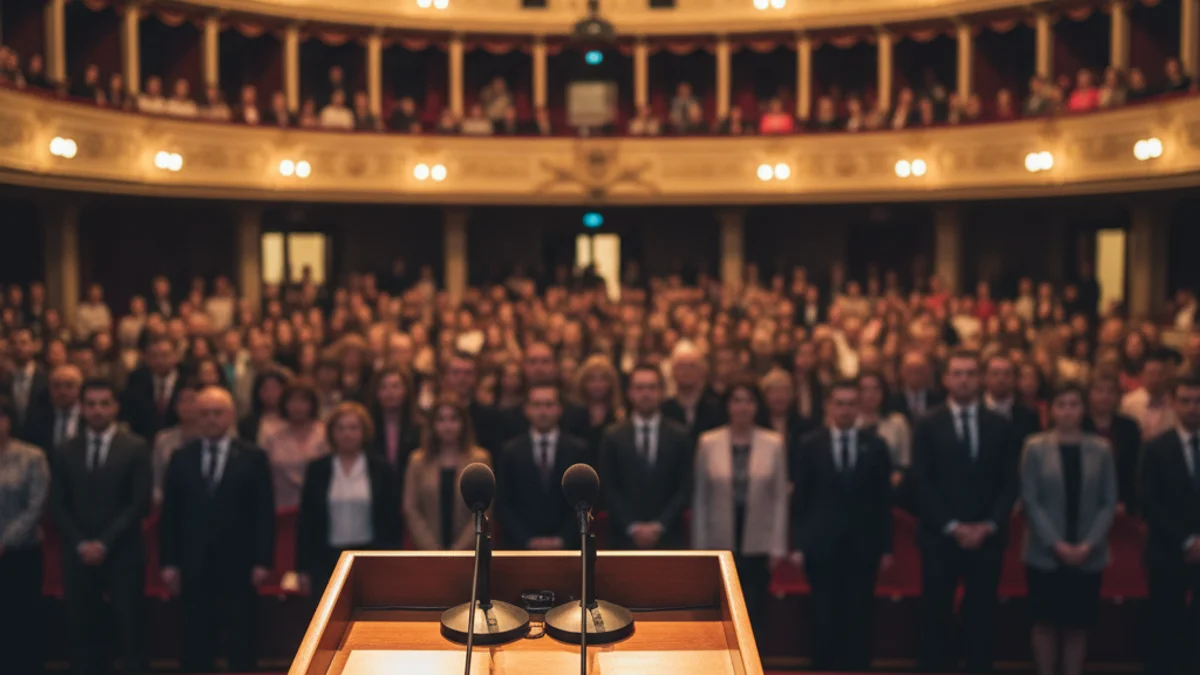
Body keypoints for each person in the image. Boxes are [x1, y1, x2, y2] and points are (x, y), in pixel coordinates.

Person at [912, 350, 1018, 673]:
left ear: (981, 378)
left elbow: (1010, 482)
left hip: (987, 539)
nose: (964, 379)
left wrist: (988, 525)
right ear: (945, 379)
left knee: (982, 620)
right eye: (957, 373)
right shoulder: (928, 423)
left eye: (971, 373)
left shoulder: (1000, 424)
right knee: (936, 618)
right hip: (940, 537)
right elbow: (921, 481)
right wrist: (952, 525)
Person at [160, 387, 275, 673]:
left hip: (240, 561)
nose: (211, 419)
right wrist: (169, 562)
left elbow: (264, 513)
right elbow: (170, 514)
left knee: (242, 637)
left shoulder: (253, 457)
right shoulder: (181, 457)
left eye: (217, 412)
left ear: (232, 415)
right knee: (195, 638)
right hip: (193, 562)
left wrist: (263, 561)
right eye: (204, 413)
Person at [792, 379, 894, 671]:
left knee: (860, 616)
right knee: (823, 614)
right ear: (829, 406)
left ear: (859, 407)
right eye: (840, 403)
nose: (846, 410)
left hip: (864, 546)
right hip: (821, 546)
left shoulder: (876, 446)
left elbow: (883, 501)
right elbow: (801, 499)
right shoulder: (810, 444)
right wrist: (798, 544)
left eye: (851, 404)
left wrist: (887, 547)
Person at [54, 379, 152, 675]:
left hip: (123, 553)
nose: (98, 411)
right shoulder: (65, 449)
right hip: (78, 554)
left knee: (130, 632)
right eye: (91, 404)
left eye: (104, 404)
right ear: (82, 408)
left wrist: (104, 543)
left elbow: (138, 503)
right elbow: (58, 504)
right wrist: (82, 544)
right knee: (82, 632)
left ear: (115, 407)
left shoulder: (135, 447)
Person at [1020, 382, 1117, 675]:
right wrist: (1056, 544)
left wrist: (1089, 544)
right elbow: (1030, 499)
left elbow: (1108, 500)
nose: (1068, 411)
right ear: (1051, 410)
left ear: (1083, 409)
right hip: (1045, 550)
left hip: (1088, 549)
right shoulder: (1034, 446)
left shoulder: (1101, 449)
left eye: (1074, 404)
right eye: (1061, 405)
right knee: (1045, 622)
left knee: (1078, 624)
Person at [692, 377, 788, 634]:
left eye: (748, 401)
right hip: (719, 538)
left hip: (759, 539)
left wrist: (778, 545)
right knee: (720, 611)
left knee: (756, 609)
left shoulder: (774, 443)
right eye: (737, 400)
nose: (742, 407)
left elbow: (780, 497)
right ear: (728, 406)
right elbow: (700, 497)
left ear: (757, 406)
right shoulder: (708, 442)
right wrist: (700, 545)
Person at [296, 401, 402, 594]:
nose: (347, 434)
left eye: (353, 428)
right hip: (326, 560)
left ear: (364, 432)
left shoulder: (381, 470)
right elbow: (307, 521)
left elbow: (392, 520)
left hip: (370, 558)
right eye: (341, 428)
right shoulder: (318, 469)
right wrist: (303, 568)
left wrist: (392, 562)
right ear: (332, 433)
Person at [1139, 377, 1200, 675]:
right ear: (1174, 404)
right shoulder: (1156, 448)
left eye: (1198, 401)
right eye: (1186, 401)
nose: (1192, 408)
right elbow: (1148, 502)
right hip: (1168, 551)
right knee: (1164, 629)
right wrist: (1188, 541)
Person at [598, 364, 692, 550]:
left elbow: (685, 486)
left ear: (662, 392)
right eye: (640, 388)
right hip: (623, 537)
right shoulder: (613, 435)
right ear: (630, 393)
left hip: (668, 537)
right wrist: (631, 526)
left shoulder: (680, 435)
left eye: (652, 387)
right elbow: (608, 485)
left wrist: (660, 526)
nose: (646, 393)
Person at [496, 384, 590, 550]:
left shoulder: (578, 450)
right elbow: (503, 503)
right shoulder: (510, 451)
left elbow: (584, 501)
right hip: (521, 548)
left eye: (549, 405)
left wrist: (563, 539)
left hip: (568, 548)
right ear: (527, 410)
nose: (543, 411)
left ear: (559, 409)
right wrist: (527, 540)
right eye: (537, 405)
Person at [0, 396, 51, 675]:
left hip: (22, 552)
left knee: (21, 618)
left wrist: (6, 540)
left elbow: (37, 504)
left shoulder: (32, 456)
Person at [403, 396, 491, 550]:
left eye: (453, 419)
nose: (447, 426)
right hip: (427, 552)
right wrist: (432, 549)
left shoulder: (479, 459)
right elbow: (410, 508)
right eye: (441, 420)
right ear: (432, 425)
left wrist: (458, 550)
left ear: (464, 423)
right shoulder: (417, 461)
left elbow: (485, 510)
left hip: (469, 552)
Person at [263, 379, 328, 509]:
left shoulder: (325, 434)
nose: (297, 406)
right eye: (292, 401)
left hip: (317, 503)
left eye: (303, 401)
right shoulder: (272, 435)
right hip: (281, 505)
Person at [1083, 373, 1142, 513]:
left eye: (1111, 391)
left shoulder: (1129, 427)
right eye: (1099, 390)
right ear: (1089, 394)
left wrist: (1124, 502)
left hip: (1123, 504)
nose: (1105, 396)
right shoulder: (1080, 425)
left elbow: (1134, 470)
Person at [120, 336, 182, 442]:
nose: (159, 360)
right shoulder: (137, 380)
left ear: (175, 356)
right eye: (154, 356)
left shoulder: (188, 380)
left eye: (165, 355)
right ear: (146, 358)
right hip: (144, 441)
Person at [662, 342, 726, 440]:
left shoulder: (717, 406)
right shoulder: (663, 410)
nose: (686, 372)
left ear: (702, 369)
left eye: (692, 366)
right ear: (672, 371)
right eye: (681, 367)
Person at [368, 367, 420, 486]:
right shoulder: (369, 427)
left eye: (395, 386)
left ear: (406, 391)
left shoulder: (418, 426)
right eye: (383, 387)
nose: (389, 392)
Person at [152, 380, 201, 503]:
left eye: (192, 400)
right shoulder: (163, 438)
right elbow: (157, 479)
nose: (187, 406)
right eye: (182, 401)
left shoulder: (211, 438)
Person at [21, 363, 83, 457]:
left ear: (79, 388)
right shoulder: (37, 417)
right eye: (57, 386)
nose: (62, 391)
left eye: (69, 386)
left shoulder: (87, 417)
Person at [983, 354, 1042, 444]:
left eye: (1007, 374)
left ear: (1014, 378)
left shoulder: (1029, 415)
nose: (1001, 379)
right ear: (985, 377)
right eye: (995, 374)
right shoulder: (974, 413)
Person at [3, 327, 48, 430]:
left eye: (23, 343)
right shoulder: (4, 381)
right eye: (13, 343)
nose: (18, 348)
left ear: (34, 345)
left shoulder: (45, 379)